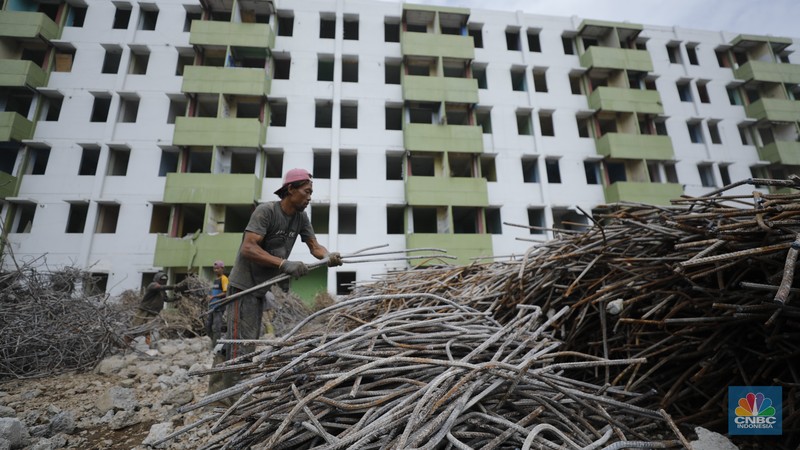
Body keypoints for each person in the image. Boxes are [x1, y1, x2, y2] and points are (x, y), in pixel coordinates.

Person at [208, 168, 342, 395]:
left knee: (248, 342)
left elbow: (314, 246)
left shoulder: (300, 218)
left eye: (311, 193)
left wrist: (328, 257)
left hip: (261, 288)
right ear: (290, 189)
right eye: (306, 191)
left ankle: (233, 392)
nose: (310, 197)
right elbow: (248, 248)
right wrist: (283, 264)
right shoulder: (266, 212)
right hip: (244, 286)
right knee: (238, 341)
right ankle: (220, 397)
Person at [130, 271, 185, 349]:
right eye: (161, 279)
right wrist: (175, 286)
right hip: (144, 310)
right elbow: (159, 287)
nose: (163, 281)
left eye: (164, 280)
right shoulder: (153, 285)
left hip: (153, 312)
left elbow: (166, 299)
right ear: (157, 279)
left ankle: (147, 345)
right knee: (135, 326)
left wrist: (176, 298)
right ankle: (126, 343)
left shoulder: (162, 290)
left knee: (148, 329)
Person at [205, 260, 229, 349]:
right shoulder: (216, 280)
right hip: (212, 306)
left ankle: (215, 347)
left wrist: (213, 297)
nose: (215, 270)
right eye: (214, 269)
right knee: (208, 326)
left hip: (219, 306)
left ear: (222, 268)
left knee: (216, 327)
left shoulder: (224, 279)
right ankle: (213, 342)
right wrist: (210, 297)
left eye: (217, 269)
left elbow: (225, 292)